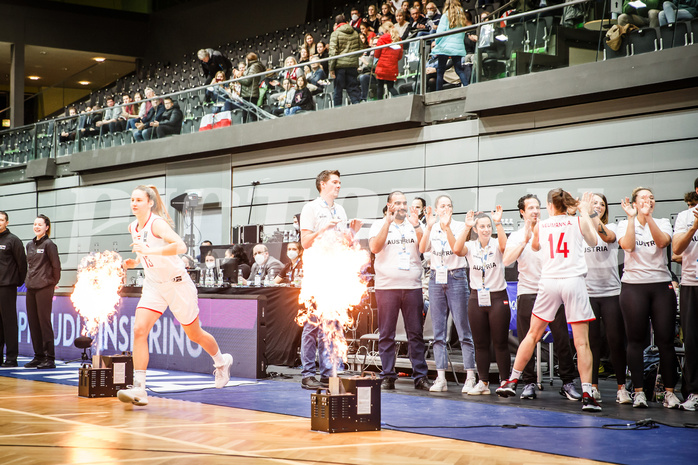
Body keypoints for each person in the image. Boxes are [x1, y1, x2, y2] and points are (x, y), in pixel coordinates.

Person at [118, 185, 233, 406]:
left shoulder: (157, 223)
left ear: (150, 202)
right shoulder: (133, 226)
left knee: (194, 334)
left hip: (177, 284)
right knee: (139, 329)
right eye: (132, 199)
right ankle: (139, 389)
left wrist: (148, 252)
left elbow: (180, 246)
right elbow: (146, 253)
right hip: (153, 285)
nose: (134, 203)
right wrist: (136, 262)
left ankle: (221, 361)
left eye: (139, 200)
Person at [497, 190, 602, 412]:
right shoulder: (577, 221)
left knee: (532, 334)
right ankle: (586, 392)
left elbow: (535, 247)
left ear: (549, 206)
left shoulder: (542, 226)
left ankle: (513, 380)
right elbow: (593, 241)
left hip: (549, 282)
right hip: (573, 281)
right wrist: (583, 211)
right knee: (582, 342)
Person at [298, 170, 363, 389]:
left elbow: (345, 243)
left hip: (335, 271)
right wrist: (323, 229)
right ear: (322, 184)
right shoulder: (311, 208)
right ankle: (307, 372)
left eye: (339, 182)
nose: (338, 186)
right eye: (334, 182)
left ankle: (328, 372)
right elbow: (305, 242)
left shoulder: (341, 210)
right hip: (317, 272)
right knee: (312, 324)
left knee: (333, 322)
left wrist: (352, 232)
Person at [617, 187, 679, 408]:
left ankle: (670, 393)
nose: (648, 200)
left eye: (651, 198)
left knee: (666, 341)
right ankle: (639, 392)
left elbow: (662, 243)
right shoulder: (624, 224)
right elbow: (628, 246)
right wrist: (633, 219)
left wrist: (648, 218)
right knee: (635, 341)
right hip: (633, 287)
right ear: (634, 203)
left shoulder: (662, 222)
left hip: (661, 285)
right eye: (643, 198)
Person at [369, 191, 432, 391]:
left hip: (412, 286)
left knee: (416, 334)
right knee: (386, 334)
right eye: (398, 203)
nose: (402, 206)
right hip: (387, 287)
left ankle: (420, 376)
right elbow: (375, 248)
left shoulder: (414, 224)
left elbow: (424, 248)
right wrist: (387, 223)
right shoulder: (379, 224)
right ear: (389, 205)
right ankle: (388, 375)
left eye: (404, 203)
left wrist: (416, 225)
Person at [418, 195, 477, 392]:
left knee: (463, 329)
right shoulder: (432, 226)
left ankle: (470, 376)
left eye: (449, 206)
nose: (446, 208)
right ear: (436, 209)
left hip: (456, 277)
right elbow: (422, 248)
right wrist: (428, 227)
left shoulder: (460, 226)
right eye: (442, 206)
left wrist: (447, 227)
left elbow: (456, 249)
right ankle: (440, 377)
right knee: (438, 332)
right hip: (436, 278)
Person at [453, 208, 510, 395]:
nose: (486, 229)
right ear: (476, 229)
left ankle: (504, 382)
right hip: (476, 297)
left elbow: (505, 249)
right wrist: (466, 227)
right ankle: (483, 382)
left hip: (497, 297)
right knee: (480, 343)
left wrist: (498, 223)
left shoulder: (496, 243)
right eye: (482, 227)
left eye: (488, 226)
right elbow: (456, 249)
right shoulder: (471, 246)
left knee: (500, 342)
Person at [583, 193, 631, 404]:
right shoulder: (582, 229)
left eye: (602, 204)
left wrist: (590, 213)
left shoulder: (613, 227)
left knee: (615, 342)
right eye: (595, 203)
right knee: (591, 343)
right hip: (588, 294)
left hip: (611, 293)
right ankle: (593, 387)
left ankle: (621, 388)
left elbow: (607, 238)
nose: (599, 207)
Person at [23, 215, 61, 369]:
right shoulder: (29, 245)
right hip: (31, 288)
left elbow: (56, 266)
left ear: (47, 227)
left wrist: (52, 282)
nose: (37, 227)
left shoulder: (49, 244)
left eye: (40, 224)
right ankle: (38, 356)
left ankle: (49, 358)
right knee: (33, 322)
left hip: (44, 288)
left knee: (44, 322)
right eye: (35, 224)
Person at [674, 178, 698, 410]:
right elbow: (676, 250)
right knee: (691, 341)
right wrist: (694, 227)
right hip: (692, 283)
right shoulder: (686, 216)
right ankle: (692, 392)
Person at [0, 211, 27, 367]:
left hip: (7, 286)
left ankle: (11, 358)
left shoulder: (13, 240)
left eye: (2, 220)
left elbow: (22, 264)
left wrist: (18, 281)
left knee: (9, 322)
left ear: (7, 223)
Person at [432, 0, 471, 90]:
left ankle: (439, 93)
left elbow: (439, 33)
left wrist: (436, 44)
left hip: (444, 47)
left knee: (440, 71)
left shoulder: (445, 16)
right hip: (457, 47)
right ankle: (467, 89)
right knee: (459, 70)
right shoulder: (461, 16)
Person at [329, 14, 362, 107]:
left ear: (336, 24)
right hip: (352, 66)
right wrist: (353, 58)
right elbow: (361, 48)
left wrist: (331, 68)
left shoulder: (335, 33)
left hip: (340, 67)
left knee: (338, 90)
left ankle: (337, 112)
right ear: (347, 22)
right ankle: (358, 109)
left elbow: (332, 52)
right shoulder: (355, 33)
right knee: (353, 89)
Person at [374, 22, 403, 100]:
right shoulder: (398, 39)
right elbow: (400, 57)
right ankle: (400, 100)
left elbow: (376, 54)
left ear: (385, 30)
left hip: (382, 68)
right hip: (392, 68)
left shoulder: (381, 39)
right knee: (390, 87)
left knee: (380, 86)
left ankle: (379, 103)